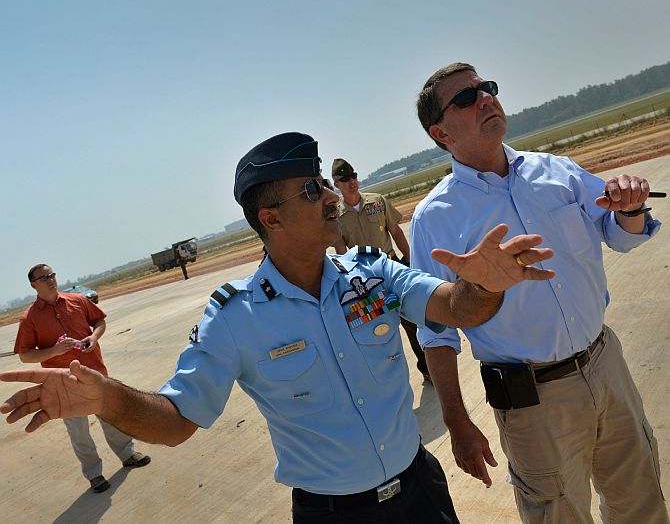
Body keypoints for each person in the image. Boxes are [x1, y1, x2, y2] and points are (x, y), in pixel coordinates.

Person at [1, 132, 554, 524]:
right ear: (272, 218)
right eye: (313, 190)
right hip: (334, 514)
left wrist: (485, 286)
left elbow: (456, 308)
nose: (332, 197)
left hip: (421, 492)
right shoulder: (235, 316)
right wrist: (106, 396)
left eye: (325, 185)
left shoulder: (371, 273)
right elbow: (177, 421)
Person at [411, 62, 668, 523]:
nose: (486, 99)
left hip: (605, 364)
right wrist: (457, 420)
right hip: (533, 399)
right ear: (441, 133)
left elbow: (621, 233)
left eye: (486, 88)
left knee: (641, 501)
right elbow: (437, 333)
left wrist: (629, 208)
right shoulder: (437, 217)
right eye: (466, 99)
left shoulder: (557, 172)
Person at [13, 264, 151, 493]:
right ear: (33, 285)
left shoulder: (78, 300)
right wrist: (53, 352)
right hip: (64, 383)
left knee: (112, 416)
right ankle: (94, 474)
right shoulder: (29, 318)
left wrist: (94, 337)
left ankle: (128, 455)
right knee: (79, 431)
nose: (51, 280)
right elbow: (25, 355)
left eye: (52, 275)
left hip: (95, 373)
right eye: (44, 277)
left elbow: (100, 322)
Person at [331, 157, 431, 383]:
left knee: (411, 321)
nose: (351, 182)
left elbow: (395, 232)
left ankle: (426, 368)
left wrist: (410, 260)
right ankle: (388, 379)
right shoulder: (336, 216)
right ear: (337, 184)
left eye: (353, 176)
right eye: (344, 179)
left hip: (392, 268)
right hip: (365, 283)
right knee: (377, 330)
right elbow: (340, 251)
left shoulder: (377, 201)